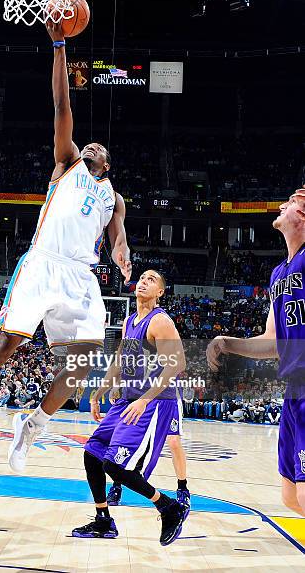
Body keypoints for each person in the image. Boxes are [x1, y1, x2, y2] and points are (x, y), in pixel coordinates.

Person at [0, 18, 131, 467]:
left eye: (97, 147)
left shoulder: (114, 197)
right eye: (87, 144)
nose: (89, 146)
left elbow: (119, 238)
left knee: (80, 366)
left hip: (82, 276)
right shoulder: (67, 165)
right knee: (4, 345)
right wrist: (59, 45)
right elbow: (61, 104)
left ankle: (32, 426)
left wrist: (122, 253)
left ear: (108, 163)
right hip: (43, 264)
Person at [207, 188, 305, 516]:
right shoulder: (279, 274)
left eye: (290, 202)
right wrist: (228, 342)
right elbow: (273, 341)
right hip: (294, 389)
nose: (281, 205)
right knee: (290, 498)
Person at [71, 270, 187, 546]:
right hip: (128, 399)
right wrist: (101, 388)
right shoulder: (130, 321)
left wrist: (145, 398)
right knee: (92, 454)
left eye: (152, 279)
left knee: (115, 464)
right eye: (142, 278)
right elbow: (122, 357)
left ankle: (169, 507)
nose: (144, 281)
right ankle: (103, 520)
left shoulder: (159, 321)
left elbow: (178, 362)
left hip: (154, 402)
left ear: (160, 292)